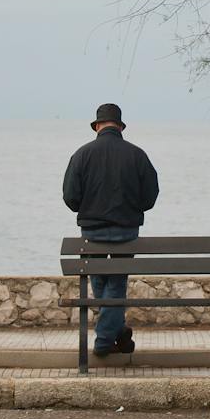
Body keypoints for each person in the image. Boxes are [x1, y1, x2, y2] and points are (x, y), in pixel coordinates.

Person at [62, 102, 159, 356]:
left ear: (97, 127)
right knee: (115, 283)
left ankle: (106, 339)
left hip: (91, 234)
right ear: (120, 127)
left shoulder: (82, 155)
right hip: (126, 233)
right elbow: (150, 197)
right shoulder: (137, 155)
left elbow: (70, 197)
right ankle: (113, 335)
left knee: (100, 282)